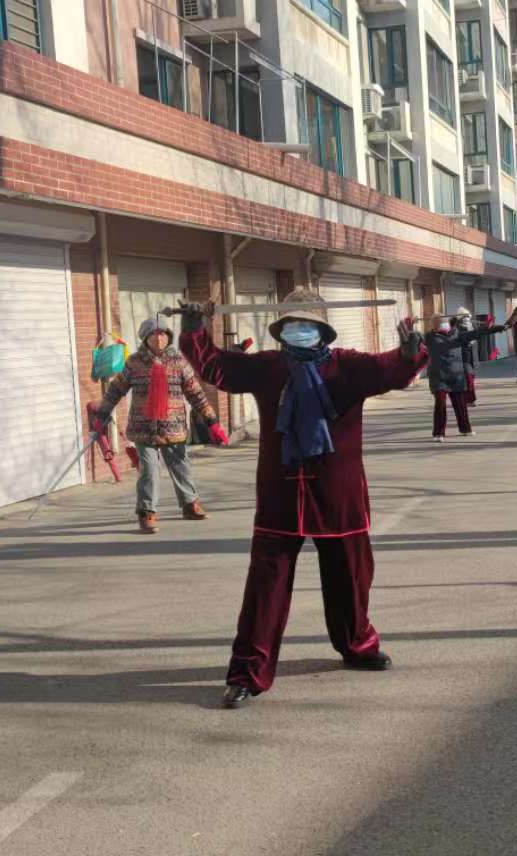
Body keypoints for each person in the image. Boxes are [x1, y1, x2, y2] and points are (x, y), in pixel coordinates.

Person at [179, 288, 427, 709]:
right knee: (265, 588)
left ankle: (357, 644)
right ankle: (247, 673)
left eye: (307, 324)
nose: (300, 330)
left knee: (351, 577)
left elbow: (391, 371)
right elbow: (217, 367)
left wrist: (409, 351)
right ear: (282, 330)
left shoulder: (347, 367)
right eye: (293, 323)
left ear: (322, 330)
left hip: (338, 492)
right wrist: (194, 329)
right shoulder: (267, 368)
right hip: (281, 494)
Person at [95, 318, 226, 533]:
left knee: (181, 466)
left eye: (163, 334)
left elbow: (196, 394)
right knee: (149, 469)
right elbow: (116, 390)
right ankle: (146, 512)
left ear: (169, 337)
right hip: (143, 428)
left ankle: (190, 505)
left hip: (173, 427)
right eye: (154, 334)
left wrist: (212, 422)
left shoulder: (179, 362)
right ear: (145, 338)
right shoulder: (134, 363)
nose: (159, 338)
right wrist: (102, 414)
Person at [425, 313, 492, 440]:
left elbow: (475, 334)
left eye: (445, 323)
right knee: (440, 405)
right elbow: (411, 342)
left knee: (460, 404)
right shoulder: (429, 337)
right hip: (439, 377)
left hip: (456, 376)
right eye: (440, 323)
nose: (443, 325)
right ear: (434, 325)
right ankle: (439, 433)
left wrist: (490, 328)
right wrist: (408, 325)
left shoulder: (457, 334)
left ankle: (465, 429)